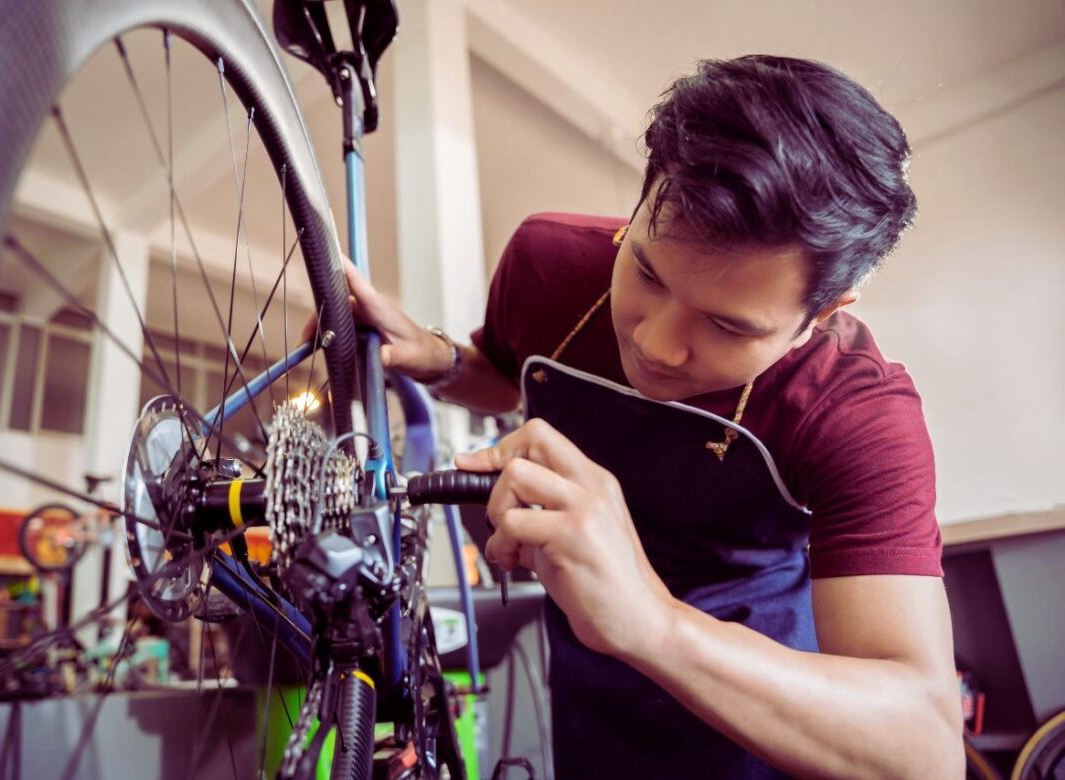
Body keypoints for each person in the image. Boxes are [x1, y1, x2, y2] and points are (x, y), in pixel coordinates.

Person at [345, 55, 962, 777]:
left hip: (772, 711)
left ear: (819, 317)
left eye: (729, 327)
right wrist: (438, 359)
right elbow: (507, 373)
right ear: (638, 207)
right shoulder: (547, 265)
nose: (655, 344)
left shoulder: (855, 414)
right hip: (591, 685)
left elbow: (924, 749)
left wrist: (653, 621)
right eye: (646, 273)